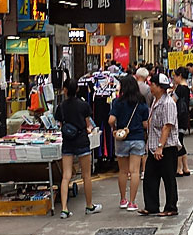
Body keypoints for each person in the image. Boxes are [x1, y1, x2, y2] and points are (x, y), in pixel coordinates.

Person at [55, 79, 101, 219]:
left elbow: (61, 125)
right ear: (76, 90)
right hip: (82, 141)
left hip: (68, 142)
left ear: (65, 90)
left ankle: (64, 209)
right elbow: (88, 125)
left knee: (66, 176)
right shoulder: (83, 105)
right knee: (86, 175)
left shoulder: (61, 107)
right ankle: (89, 205)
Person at [142, 73, 180, 216]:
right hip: (153, 147)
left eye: (152, 84)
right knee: (150, 177)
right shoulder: (155, 101)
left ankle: (171, 207)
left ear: (160, 87)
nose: (150, 86)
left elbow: (167, 126)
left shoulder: (168, 103)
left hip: (166, 147)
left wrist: (160, 146)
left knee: (168, 178)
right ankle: (151, 206)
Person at [109, 76, 149, 211]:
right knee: (135, 171)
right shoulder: (141, 102)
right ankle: (132, 202)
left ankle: (122, 199)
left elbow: (110, 120)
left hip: (122, 139)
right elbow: (145, 124)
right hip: (137, 138)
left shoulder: (117, 102)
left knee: (123, 171)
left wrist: (115, 129)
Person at [173, 68, 193, 177]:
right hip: (185, 117)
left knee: (178, 143)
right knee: (180, 141)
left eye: (175, 76)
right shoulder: (187, 88)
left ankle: (179, 168)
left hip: (179, 117)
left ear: (179, 75)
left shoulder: (180, 88)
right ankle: (186, 167)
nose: (174, 79)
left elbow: (173, 101)